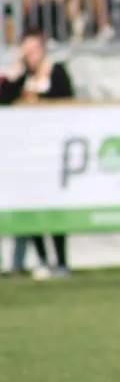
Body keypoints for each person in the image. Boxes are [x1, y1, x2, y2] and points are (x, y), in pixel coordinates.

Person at [0, 28, 74, 279]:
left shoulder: (57, 71)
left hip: (53, 151)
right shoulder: (24, 78)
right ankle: (42, 260)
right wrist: (17, 69)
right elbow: (4, 96)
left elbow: (67, 99)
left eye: (33, 50)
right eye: (26, 51)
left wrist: (37, 97)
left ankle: (62, 261)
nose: (30, 55)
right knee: (31, 207)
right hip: (28, 154)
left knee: (55, 209)